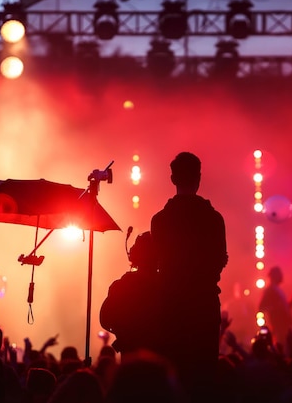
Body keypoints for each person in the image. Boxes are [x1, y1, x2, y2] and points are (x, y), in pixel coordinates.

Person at [150, 151, 228, 402]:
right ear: (199, 179)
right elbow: (220, 260)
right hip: (204, 305)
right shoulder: (214, 219)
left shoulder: (160, 220)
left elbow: (157, 261)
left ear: (173, 178)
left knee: (173, 374)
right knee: (204, 376)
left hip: (169, 306)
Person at [99, 231, 164, 360]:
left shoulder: (121, 285)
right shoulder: (168, 285)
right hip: (160, 355)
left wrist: (123, 333)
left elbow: (105, 319)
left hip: (130, 355)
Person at [258, 266, 292, 358]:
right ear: (274, 276)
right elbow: (261, 308)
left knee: (289, 349)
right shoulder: (269, 291)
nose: (282, 276)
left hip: (285, 326)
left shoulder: (278, 290)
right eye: (279, 274)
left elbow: (287, 308)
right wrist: (275, 307)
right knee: (283, 351)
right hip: (279, 326)